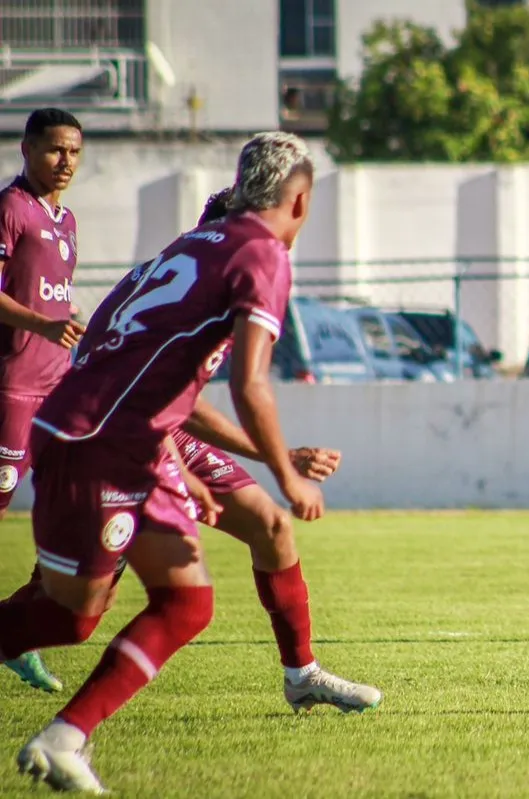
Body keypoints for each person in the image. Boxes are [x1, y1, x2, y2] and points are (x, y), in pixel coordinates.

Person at [0, 131, 324, 793]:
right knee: (86, 614)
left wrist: (172, 461)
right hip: (104, 441)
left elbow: (122, 355)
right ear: (298, 200)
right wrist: (287, 473)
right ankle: (63, 737)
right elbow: (250, 385)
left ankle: (64, 737)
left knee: (153, 605)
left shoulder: (186, 248)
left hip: (96, 430)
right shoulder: (264, 253)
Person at [11, 187, 383, 715]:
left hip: (151, 426)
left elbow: (174, 396)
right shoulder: (214, 282)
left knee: (270, 526)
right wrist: (279, 460)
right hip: (113, 436)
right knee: (75, 614)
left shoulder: (169, 270)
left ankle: (301, 674)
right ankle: (24, 644)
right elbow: (165, 394)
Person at [0, 108, 87, 693]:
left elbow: (54, 295)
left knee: (73, 506)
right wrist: (43, 324)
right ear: (27, 149)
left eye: (74, 152)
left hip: (59, 388)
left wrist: (70, 327)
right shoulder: (10, 208)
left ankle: (18, 631)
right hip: (13, 385)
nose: (65, 162)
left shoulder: (67, 219)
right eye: (55, 149)